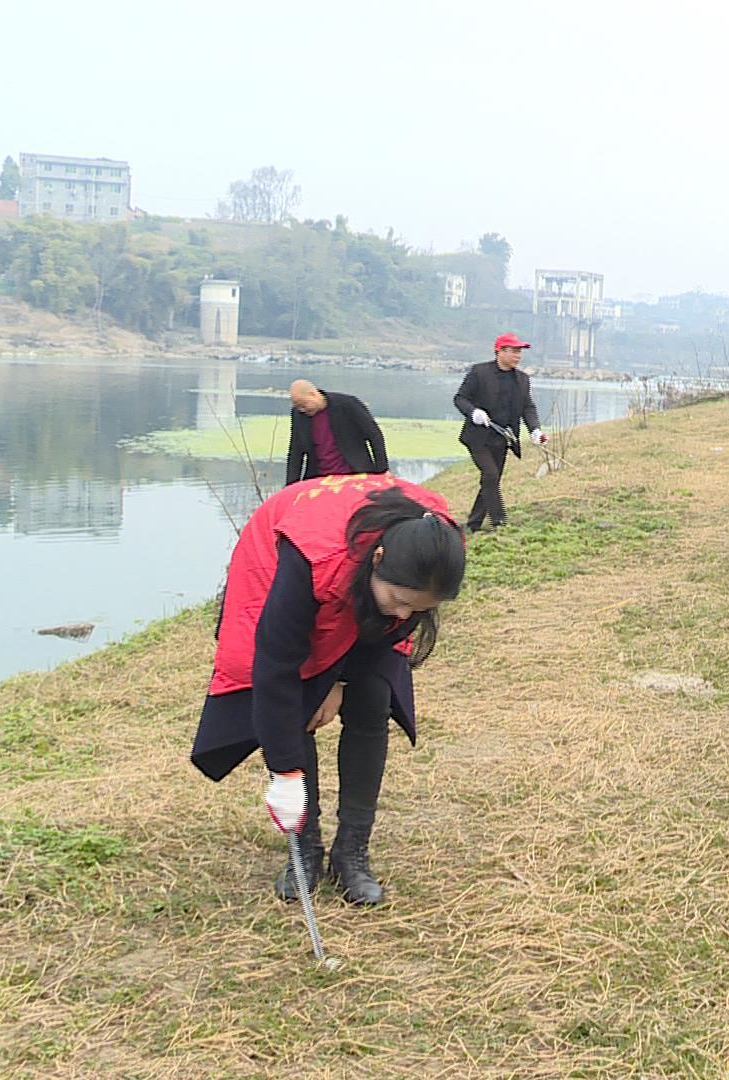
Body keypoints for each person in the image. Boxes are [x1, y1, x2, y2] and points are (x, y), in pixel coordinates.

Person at [191, 473, 465, 905]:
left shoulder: (432, 553)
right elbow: (275, 666)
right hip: (285, 554)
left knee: (372, 698)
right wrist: (285, 773)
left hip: (357, 574)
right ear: (377, 558)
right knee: (298, 705)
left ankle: (351, 851)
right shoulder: (310, 554)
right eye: (399, 600)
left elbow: (387, 627)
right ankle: (305, 846)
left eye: (419, 608)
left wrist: (340, 678)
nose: (405, 613)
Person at [455, 332, 547, 532]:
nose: (518, 356)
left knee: (490, 480)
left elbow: (528, 407)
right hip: (477, 437)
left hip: (503, 439)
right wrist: (474, 412)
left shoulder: (522, 379)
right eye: (514, 351)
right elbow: (460, 398)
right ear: (500, 352)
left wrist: (535, 430)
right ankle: (500, 522)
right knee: (490, 475)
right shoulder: (479, 373)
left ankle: (473, 525)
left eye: (519, 352)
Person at [285, 380, 389, 483]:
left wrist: (382, 472)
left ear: (313, 394)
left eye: (304, 404)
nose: (302, 410)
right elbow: (296, 452)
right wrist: (291, 485)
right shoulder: (299, 415)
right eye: (298, 407)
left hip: (354, 474)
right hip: (318, 478)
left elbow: (374, 436)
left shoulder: (347, 404)